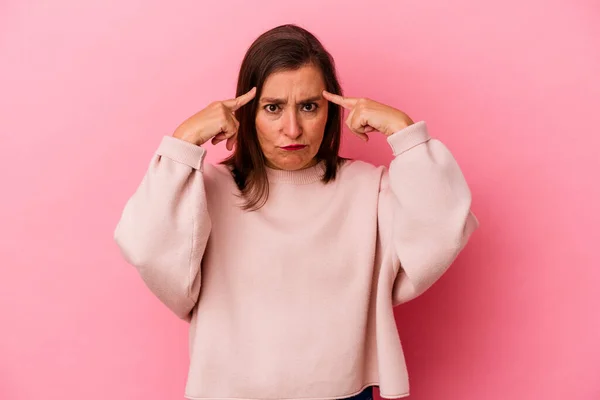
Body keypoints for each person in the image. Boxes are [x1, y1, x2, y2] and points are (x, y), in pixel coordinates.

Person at [114, 24, 479, 400]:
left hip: (343, 392)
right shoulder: (206, 188)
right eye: (273, 108)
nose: (292, 129)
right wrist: (182, 142)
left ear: (330, 110)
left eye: (309, 106)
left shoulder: (368, 188)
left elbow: (444, 230)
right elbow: (144, 245)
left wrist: (405, 133)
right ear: (246, 113)